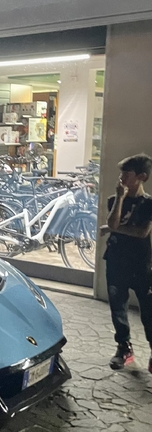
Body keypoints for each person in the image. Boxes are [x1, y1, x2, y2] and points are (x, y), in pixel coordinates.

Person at [99, 153, 152, 373]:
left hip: (140, 263)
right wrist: (120, 199)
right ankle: (124, 346)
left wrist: (111, 228)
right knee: (117, 306)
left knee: (148, 309)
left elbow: (142, 232)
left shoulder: (148, 203)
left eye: (127, 174)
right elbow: (112, 222)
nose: (121, 177)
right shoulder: (114, 199)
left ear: (142, 177)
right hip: (116, 260)